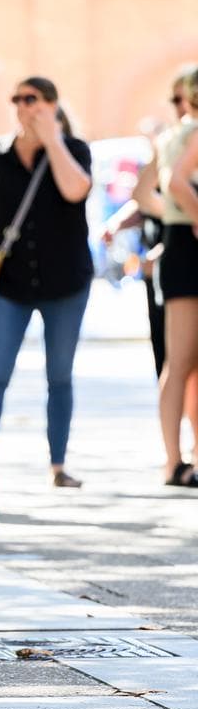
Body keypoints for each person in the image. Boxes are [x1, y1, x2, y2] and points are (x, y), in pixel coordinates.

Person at [0, 77, 93, 488]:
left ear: (51, 104)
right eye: (18, 100)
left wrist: (53, 140)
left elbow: (75, 190)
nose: (23, 107)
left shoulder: (75, 150)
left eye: (32, 99)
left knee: (60, 375)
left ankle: (58, 466)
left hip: (66, 283)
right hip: (9, 284)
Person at [140, 66, 198, 486]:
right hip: (186, 248)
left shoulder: (171, 135)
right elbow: (177, 183)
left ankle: (174, 460)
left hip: (178, 245)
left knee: (178, 364)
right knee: (181, 364)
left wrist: (181, 218)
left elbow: (146, 193)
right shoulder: (191, 132)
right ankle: (175, 461)